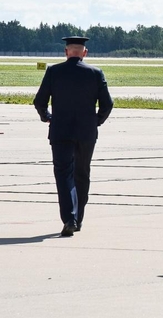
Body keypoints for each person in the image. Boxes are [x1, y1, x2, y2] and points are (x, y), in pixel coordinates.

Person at [33, 36, 114, 237]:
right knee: (82, 174)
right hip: (86, 133)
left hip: (60, 131)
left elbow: (39, 101)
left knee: (63, 174)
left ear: (66, 51)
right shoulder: (95, 73)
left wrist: (47, 117)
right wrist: (96, 121)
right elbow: (107, 104)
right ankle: (78, 219)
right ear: (84, 53)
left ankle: (69, 218)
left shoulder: (54, 71)